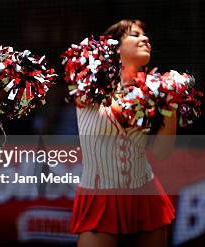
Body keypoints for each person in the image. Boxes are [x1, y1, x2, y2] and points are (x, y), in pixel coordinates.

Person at [70, 20, 176, 247]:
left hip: (145, 194)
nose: (145, 39)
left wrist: (172, 107)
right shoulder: (90, 81)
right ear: (115, 47)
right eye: (135, 35)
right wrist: (151, 94)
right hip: (101, 198)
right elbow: (117, 111)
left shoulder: (153, 89)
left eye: (146, 35)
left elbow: (162, 152)